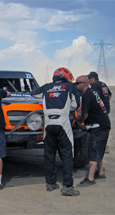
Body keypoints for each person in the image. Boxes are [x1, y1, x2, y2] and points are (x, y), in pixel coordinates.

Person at [31, 67, 80, 196]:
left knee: (49, 154)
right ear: (66, 76)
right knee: (67, 155)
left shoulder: (46, 87)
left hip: (48, 124)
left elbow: (34, 93)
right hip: (63, 123)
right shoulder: (70, 86)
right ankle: (67, 186)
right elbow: (75, 105)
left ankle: (51, 183)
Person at [75, 76, 111, 188]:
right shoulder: (91, 93)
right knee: (98, 149)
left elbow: (84, 115)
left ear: (84, 83)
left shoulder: (87, 95)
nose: (76, 86)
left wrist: (77, 122)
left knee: (93, 150)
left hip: (99, 127)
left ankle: (90, 179)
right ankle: (100, 173)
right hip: (102, 125)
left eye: (77, 83)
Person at [88, 71, 112, 153]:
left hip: (99, 112)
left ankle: (101, 146)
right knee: (104, 127)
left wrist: (98, 105)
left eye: (89, 79)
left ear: (93, 79)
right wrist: (105, 103)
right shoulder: (103, 84)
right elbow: (110, 94)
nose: (88, 81)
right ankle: (104, 145)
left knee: (98, 128)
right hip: (105, 109)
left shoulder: (95, 86)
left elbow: (93, 96)